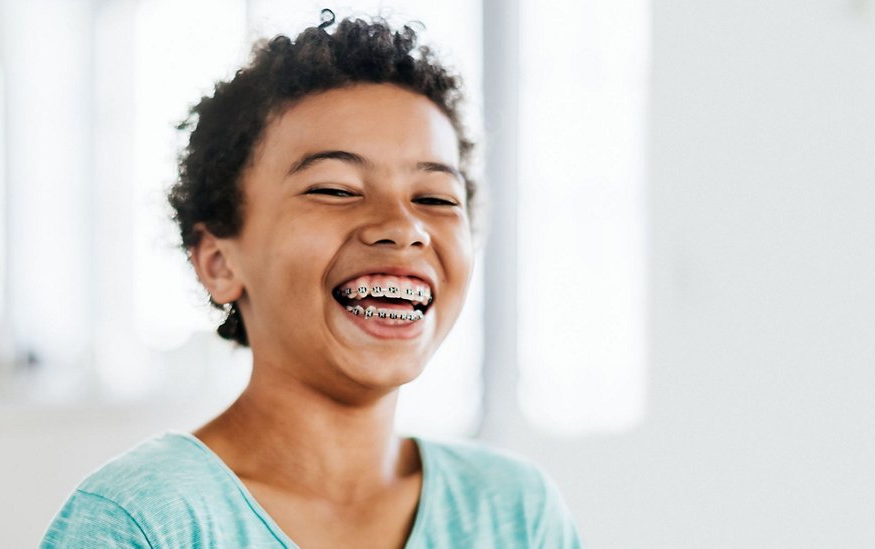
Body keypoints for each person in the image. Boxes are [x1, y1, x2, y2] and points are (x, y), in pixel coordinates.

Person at [43, 12, 582, 548]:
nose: (403, 227)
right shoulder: (142, 523)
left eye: (435, 198)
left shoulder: (518, 512)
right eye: (335, 190)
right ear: (219, 263)